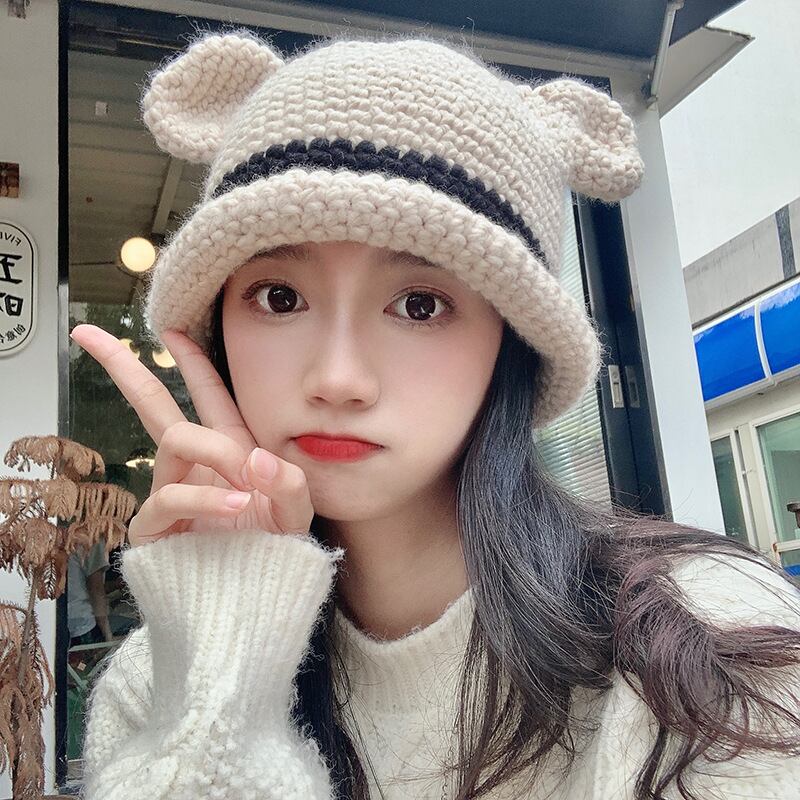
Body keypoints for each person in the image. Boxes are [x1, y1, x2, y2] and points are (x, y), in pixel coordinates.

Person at [69, 29, 800, 800]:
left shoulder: (707, 658)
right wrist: (225, 648)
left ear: (511, 341)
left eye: (419, 305)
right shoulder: (164, 681)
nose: (338, 379)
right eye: (279, 297)